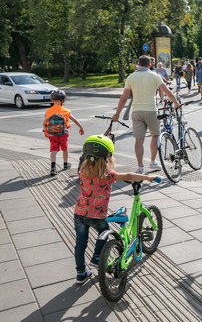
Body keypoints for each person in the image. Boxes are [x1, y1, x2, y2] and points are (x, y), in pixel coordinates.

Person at [73, 134, 159, 285]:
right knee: (104, 233)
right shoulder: (108, 175)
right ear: (108, 157)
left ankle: (81, 273)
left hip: (79, 214)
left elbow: (86, 161)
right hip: (97, 216)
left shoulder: (82, 171)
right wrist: (148, 178)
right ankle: (97, 257)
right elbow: (129, 175)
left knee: (80, 243)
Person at [112, 55, 180, 173]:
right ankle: (153, 162)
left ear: (138, 64)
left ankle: (140, 167)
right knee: (155, 136)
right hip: (151, 111)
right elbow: (167, 92)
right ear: (150, 64)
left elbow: (124, 98)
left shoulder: (131, 77)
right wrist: (176, 102)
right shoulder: (155, 76)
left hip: (137, 112)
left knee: (139, 141)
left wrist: (117, 113)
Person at [43, 90, 85, 176]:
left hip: (52, 135)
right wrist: (81, 128)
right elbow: (75, 120)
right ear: (62, 101)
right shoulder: (66, 111)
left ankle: (53, 168)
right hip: (63, 134)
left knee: (53, 151)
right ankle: (65, 164)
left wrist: (46, 132)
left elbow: (45, 122)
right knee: (65, 149)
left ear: (52, 100)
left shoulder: (48, 111)